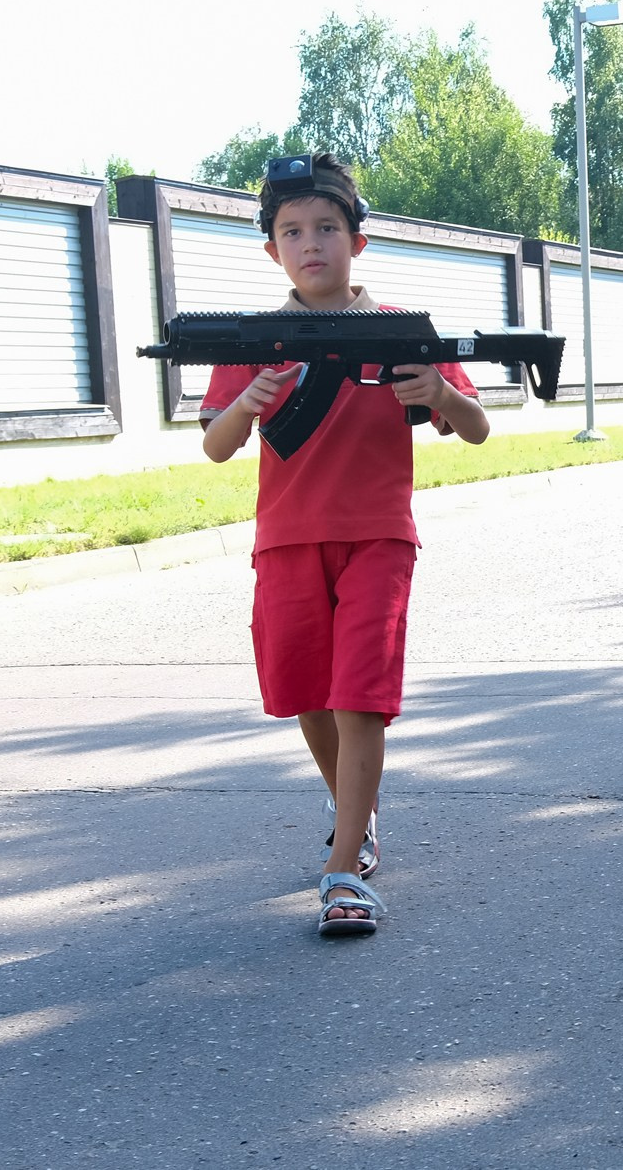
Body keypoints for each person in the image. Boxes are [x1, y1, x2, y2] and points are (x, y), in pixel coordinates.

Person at [200, 152, 490, 936]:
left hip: (378, 536)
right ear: (272, 250)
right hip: (288, 541)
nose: (311, 242)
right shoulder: (256, 341)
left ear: (357, 239)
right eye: (292, 231)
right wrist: (252, 401)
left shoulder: (398, 331)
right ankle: (355, 819)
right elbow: (216, 444)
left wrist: (436, 391)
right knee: (308, 693)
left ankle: (342, 875)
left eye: (327, 226)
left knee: (360, 693)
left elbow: (477, 424)